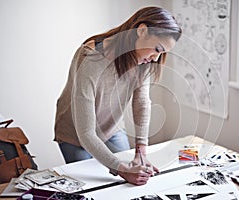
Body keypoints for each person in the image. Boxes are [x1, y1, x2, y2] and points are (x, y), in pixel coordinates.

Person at [54, 6, 182, 186]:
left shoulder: (142, 59)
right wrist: (121, 169)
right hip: (75, 133)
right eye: (157, 49)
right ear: (142, 31)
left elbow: (142, 102)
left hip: (111, 127)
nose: (155, 58)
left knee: (128, 180)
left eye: (162, 53)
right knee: (94, 187)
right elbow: (86, 133)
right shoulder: (91, 57)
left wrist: (141, 153)